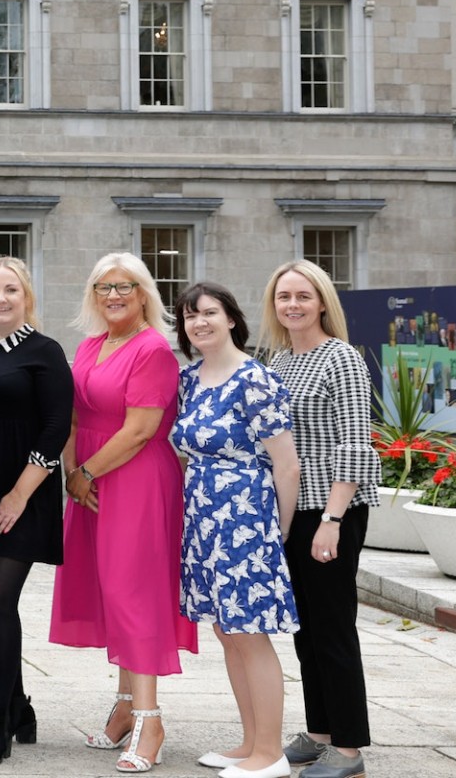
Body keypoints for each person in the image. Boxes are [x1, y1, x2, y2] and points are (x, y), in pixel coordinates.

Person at [49, 252, 195, 774]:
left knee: (135, 593)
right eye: (104, 287)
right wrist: (73, 472)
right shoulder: (89, 345)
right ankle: (126, 703)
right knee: (111, 590)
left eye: (125, 287)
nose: (114, 295)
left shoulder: (153, 349)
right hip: (89, 478)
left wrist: (84, 472)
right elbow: (72, 415)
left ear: (144, 294)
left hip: (134, 480)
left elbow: (139, 431)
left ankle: (150, 719)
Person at [174, 283, 302, 778]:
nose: (199, 322)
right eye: (190, 317)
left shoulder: (256, 379)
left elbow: (286, 465)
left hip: (246, 520)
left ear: (231, 319)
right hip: (203, 516)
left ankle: (271, 754)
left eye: (209, 313)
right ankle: (250, 742)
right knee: (227, 631)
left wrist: (279, 532)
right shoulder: (191, 379)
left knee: (251, 635)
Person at [262, 260, 378, 778]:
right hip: (291, 510)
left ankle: (349, 749)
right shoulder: (278, 361)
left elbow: (355, 444)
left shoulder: (342, 359)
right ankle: (319, 732)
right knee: (305, 631)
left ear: (323, 302)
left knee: (333, 628)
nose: (292, 305)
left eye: (303, 296)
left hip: (332, 509)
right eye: (284, 297)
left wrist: (332, 518)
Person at [0, 257, 71, 766]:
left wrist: (18, 495)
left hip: (25, 491)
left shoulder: (45, 352)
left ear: (27, 296)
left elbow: (56, 430)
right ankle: (21, 705)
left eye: (11, 290)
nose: (1, 298)